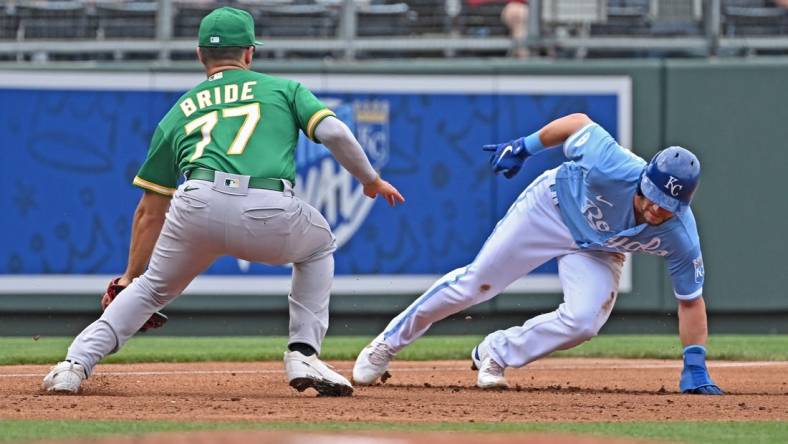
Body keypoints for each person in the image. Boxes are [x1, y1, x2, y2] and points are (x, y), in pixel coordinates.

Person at [42, 6, 404, 397]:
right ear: (249, 53)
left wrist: (130, 275)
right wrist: (370, 180)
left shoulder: (179, 111)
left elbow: (150, 209)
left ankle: (74, 365)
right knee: (318, 247)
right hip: (268, 207)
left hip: (197, 203)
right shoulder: (283, 89)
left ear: (200, 55)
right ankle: (303, 352)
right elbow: (334, 132)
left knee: (150, 290)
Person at [353, 113, 723, 395]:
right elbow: (579, 123)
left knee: (583, 322)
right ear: (643, 181)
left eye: (668, 206)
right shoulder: (612, 164)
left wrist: (695, 364)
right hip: (552, 209)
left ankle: (495, 352)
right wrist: (525, 146)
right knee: (475, 283)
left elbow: (690, 301)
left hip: (598, 250)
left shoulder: (680, 235)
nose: (657, 211)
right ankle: (387, 344)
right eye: (653, 198)